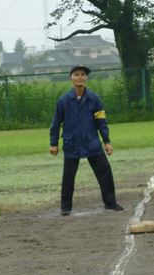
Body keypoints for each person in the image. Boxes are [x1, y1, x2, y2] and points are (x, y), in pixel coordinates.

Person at [49, 64, 124, 216]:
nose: (80, 77)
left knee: (105, 172)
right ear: (71, 78)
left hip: (92, 143)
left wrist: (107, 141)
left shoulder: (94, 99)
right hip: (72, 143)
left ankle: (110, 203)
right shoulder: (64, 100)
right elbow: (56, 123)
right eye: (76, 74)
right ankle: (66, 207)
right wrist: (53, 143)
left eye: (83, 74)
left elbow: (101, 121)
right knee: (68, 177)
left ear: (86, 78)